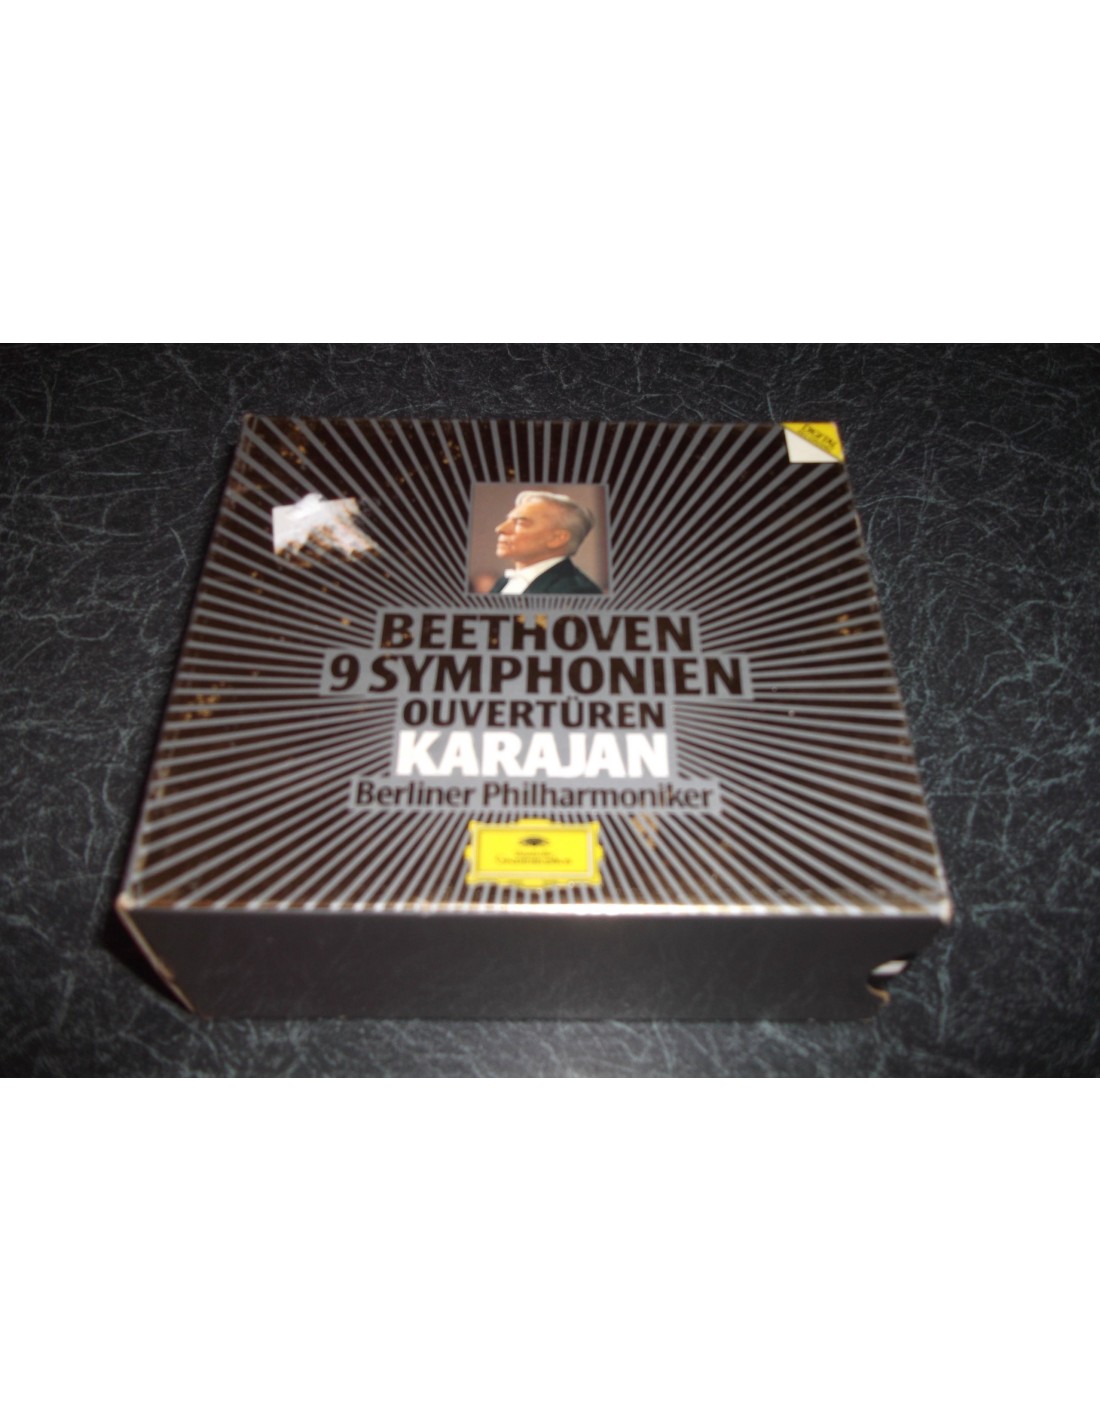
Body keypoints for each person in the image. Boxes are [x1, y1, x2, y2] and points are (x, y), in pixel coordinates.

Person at [489, 491, 602, 595]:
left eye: (520, 523)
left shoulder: (576, 591)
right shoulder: (503, 582)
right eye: (507, 520)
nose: (500, 528)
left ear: (557, 539)